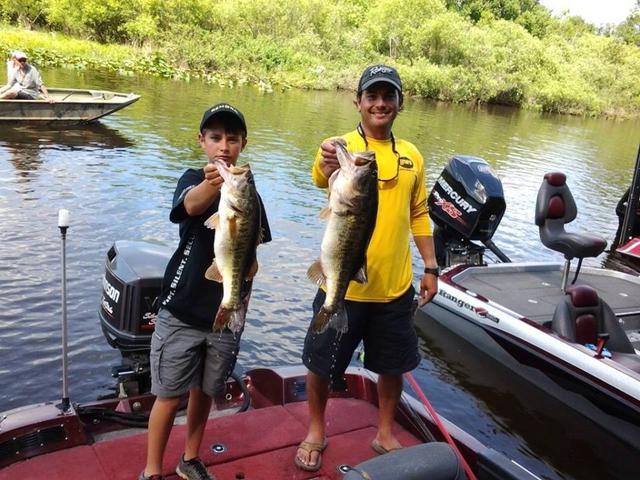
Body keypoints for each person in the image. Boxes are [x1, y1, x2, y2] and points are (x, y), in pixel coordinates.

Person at [295, 64, 439, 472]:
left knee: (393, 367)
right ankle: (316, 430)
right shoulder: (343, 148)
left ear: (399, 103)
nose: (379, 103)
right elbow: (321, 175)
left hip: (395, 288)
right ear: (357, 102)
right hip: (344, 285)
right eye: (371, 96)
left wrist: (431, 267)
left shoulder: (412, 155)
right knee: (321, 363)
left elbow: (419, 213)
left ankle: (385, 433)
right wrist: (327, 159)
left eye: (388, 96)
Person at [140, 103, 271, 480]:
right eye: (215, 138)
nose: (224, 147)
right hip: (181, 312)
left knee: (205, 392)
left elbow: (251, 253)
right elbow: (190, 205)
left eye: (232, 139)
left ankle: (190, 457)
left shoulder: (249, 194)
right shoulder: (194, 179)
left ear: (244, 144)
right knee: (168, 396)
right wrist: (214, 183)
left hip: (224, 318)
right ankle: (151, 470)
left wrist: (240, 308)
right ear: (202, 141)